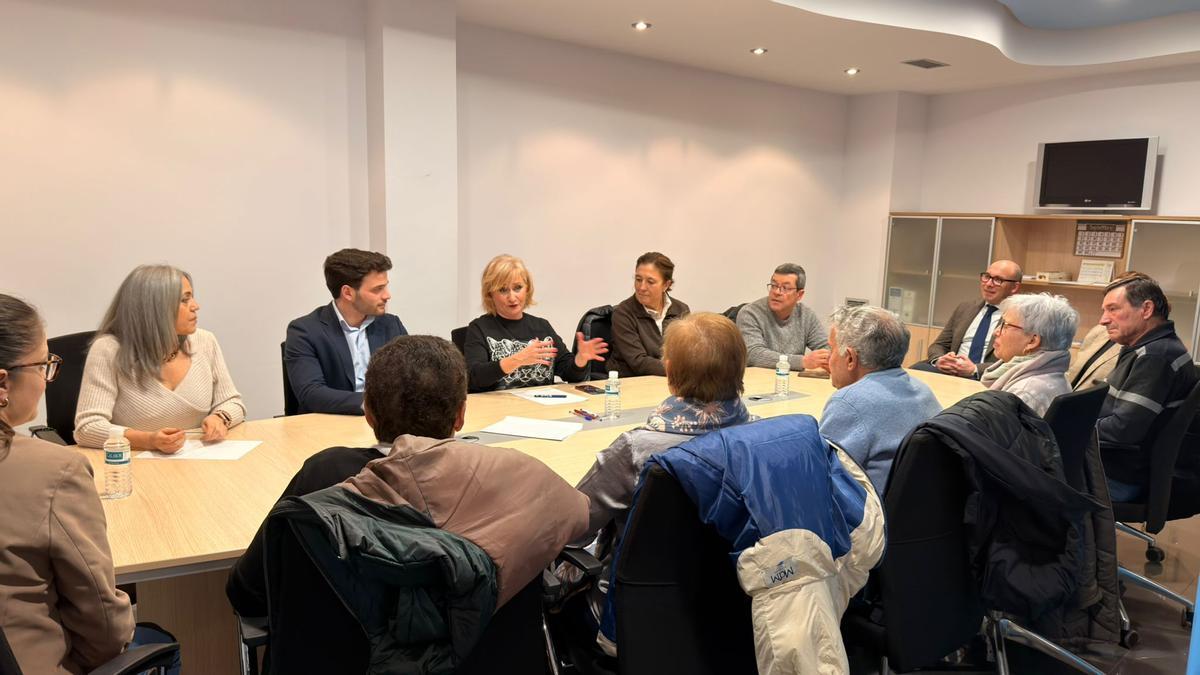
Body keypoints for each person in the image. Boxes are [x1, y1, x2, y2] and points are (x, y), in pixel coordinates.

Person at [228, 335, 588, 616]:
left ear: (367, 412)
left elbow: (248, 593)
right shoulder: (515, 477)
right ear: (461, 415)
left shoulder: (323, 474)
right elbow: (580, 518)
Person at [571, 312, 752, 655]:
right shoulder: (759, 437)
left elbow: (575, 525)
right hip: (736, 608)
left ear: (669, 372)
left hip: (637, 619)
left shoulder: (638, 449)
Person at [0, 294, 136, 672]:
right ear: (2, 382)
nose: (47, 381)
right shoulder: (55, 471)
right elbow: (105, 627)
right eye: (43, 366)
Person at [75, 265, 245, 451]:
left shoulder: (205, 341)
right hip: (133, 464)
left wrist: (220, 417)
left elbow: (233, 402)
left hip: (198, 459)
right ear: (156, 309)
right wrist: (147, 441)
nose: (196, 306)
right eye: (184, 300)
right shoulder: (108, 350)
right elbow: (88, 428)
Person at [1094, 274, 1199, 501]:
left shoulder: (1155, 356)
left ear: (1146, 309)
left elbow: (1123, 429)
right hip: (1116, 466)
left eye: (1113, 309)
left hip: (1120, 476)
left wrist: (1072, 430)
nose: (1103, 320)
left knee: (1020, 478)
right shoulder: (1145, 347)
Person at [819, 305, 942, 496]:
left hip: (870, 518)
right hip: (919, 511)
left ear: (850, 358)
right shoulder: (923, 390)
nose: (828, 357)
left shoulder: (849, 402)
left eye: (831, 348)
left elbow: (820, 476)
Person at [285, 249, 408, 414]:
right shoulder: (304, 331)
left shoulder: (391, 324)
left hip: (387, 423)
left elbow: (412, 377)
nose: (387, 295)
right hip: (329, 427)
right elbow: (311, 394)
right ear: (348, 293)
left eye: (385, 287)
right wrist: (376, 404)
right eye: (377, 289)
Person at [464, 254, 607, 392]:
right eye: (503, 290)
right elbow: (474, 377)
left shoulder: (542, 327)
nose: (512, 297)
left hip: (541, 408)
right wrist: (517, 359)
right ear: (490, 294)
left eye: (517, 288)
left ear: (527, 289)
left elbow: (569, 373)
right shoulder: (479, 328)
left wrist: (580, 359)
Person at [917, 259, 1023, 379]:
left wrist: (975, 369)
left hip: (985, 377)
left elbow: (1016, 361)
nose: (988, 284)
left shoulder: (1020, 317)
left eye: (998, 280)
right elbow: (939, 345)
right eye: (987, 277)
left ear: (1014, 287)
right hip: (952, 372)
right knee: (916, 370)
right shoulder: (965, 308)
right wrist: (940, 360)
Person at [980, 293, 1078, 416]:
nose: (995, 332)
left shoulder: (1023, 393)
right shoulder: (1052, 375)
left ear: (1032, 341)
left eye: (1005, 325)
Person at [608, 252, 690, 377]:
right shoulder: (623, 313)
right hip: (632, 384)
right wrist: (684, 370)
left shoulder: (681, 310)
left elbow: (687, 353)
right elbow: (639, 362)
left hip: (672, 382)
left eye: (650, 282)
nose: (641, 287)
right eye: (638, 279)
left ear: (666, 285)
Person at [736, 263, 830, 372]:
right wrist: (802, 362)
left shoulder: (806, 315)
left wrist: (827, 358)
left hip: (793, 382)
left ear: (799, 295)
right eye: (774, 285)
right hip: (759, 383)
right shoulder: (750, 313)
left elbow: (826, 348)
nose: (776, 292)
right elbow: (753, 354)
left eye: (785, 288)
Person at [1067, 271, 1148, 391]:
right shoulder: (1099, 331)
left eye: (1113, 308)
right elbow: (1076, 371)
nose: (1103, 320)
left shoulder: (1142, 349)